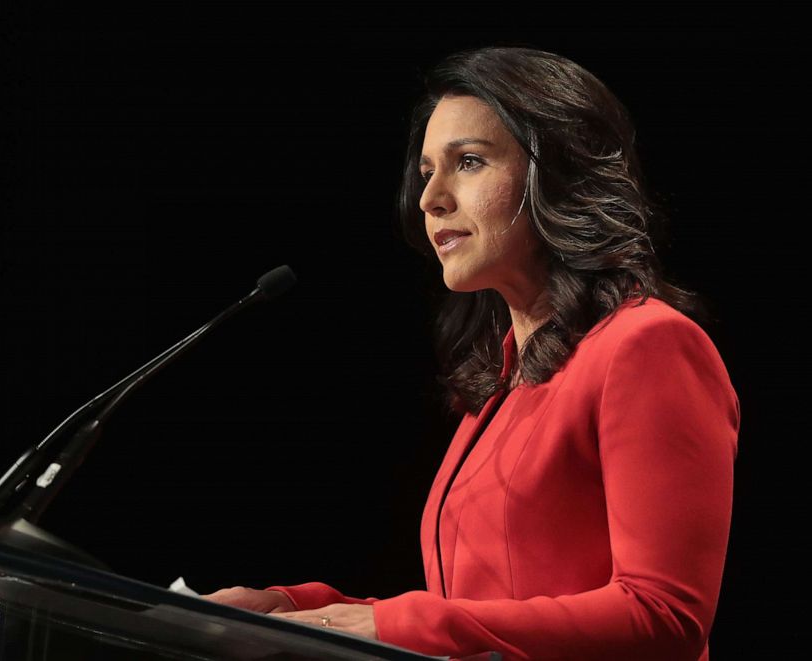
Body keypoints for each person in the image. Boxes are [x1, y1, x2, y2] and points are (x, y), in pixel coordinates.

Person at [204, 45, 740, 661]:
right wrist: (300, 611)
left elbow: (665, 617)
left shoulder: (647, 346)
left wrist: (401, 625)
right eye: (427, 169)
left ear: (555, 174)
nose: (431, 197)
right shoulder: (505, 378)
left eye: (469, 162)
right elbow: (484, 614)